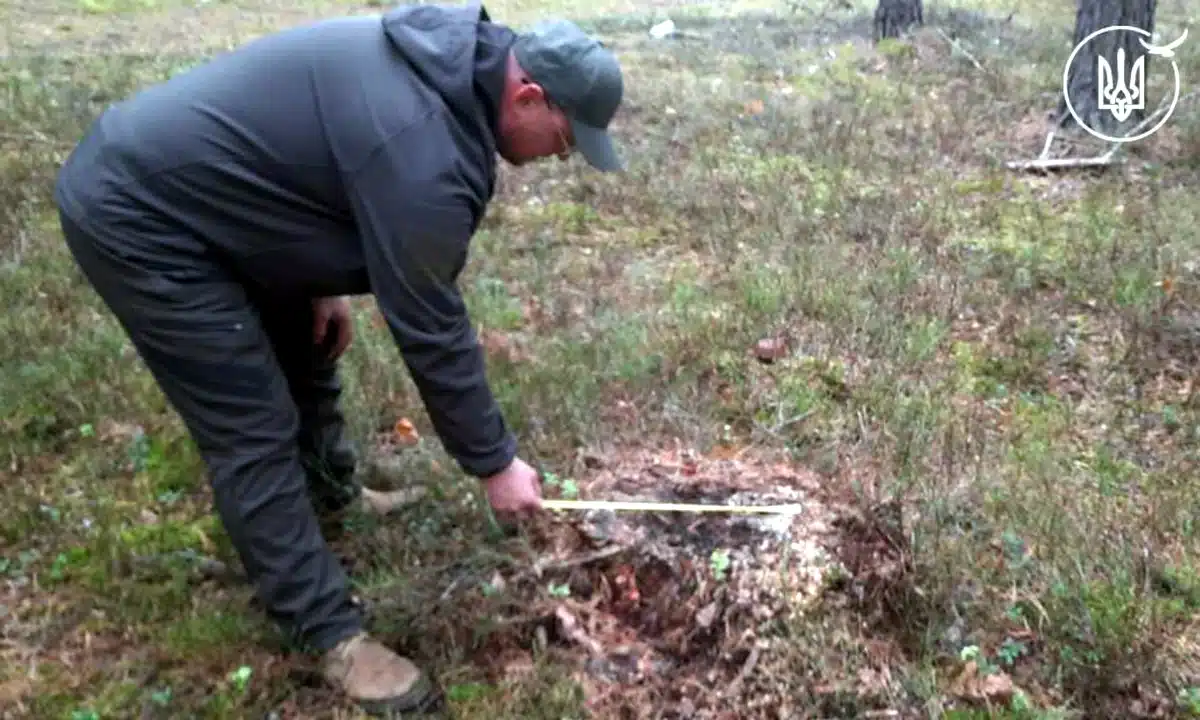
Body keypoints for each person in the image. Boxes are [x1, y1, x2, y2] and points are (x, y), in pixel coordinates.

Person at [51, 0, 624, 714]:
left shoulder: (444, 75)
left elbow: (320, 162)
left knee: (309, 346)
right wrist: (495, 463)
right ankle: (328, 634)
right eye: (565, 141)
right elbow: (432, 329)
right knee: (252, 424)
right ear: (529, 96)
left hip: (222, 200)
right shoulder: (423, 147)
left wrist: (316, 278)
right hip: (142, 216)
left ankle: (331, 496)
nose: (559, 159)